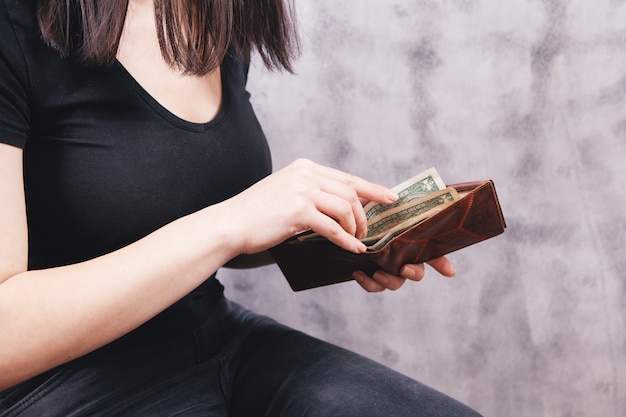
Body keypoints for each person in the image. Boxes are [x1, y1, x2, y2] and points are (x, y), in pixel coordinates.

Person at [0, 0, 482, 415]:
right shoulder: (14, 24)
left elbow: (196, 221)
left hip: (216, 338)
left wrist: (331, 230)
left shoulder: (214, 17)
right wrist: (232, 221)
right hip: (66, 384)